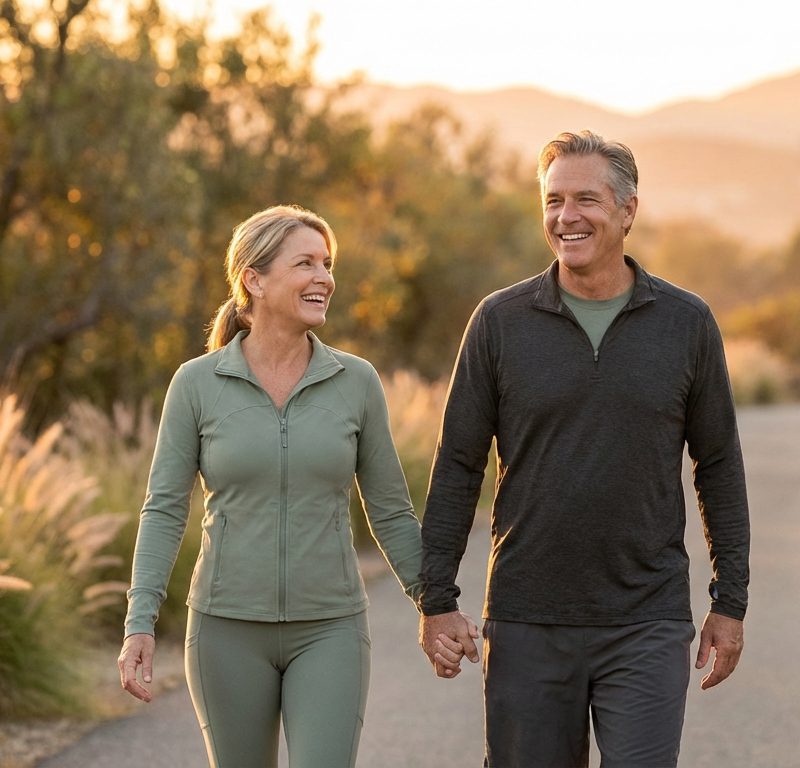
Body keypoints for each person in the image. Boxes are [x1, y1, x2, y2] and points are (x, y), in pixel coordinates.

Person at [418, 130, 750, 767]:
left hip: (647, 620)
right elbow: (458, 465)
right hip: (526, 618)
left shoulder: (686, 324)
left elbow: (718, 467)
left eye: (586, 200)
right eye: (553, 201)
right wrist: (437, 601)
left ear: (628, 210)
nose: (565, 217)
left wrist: (729, 602)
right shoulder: (499, 322)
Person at [118, 204, 431, 768]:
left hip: (330, 627)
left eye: (327, 263)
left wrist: (434, 604)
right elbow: (164, 509)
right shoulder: (197, 384)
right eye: (305, 263)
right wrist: (140, 620)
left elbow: (389, 508)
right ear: (253, 280)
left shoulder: (356, 382)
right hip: (224, 630)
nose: (325, 278)